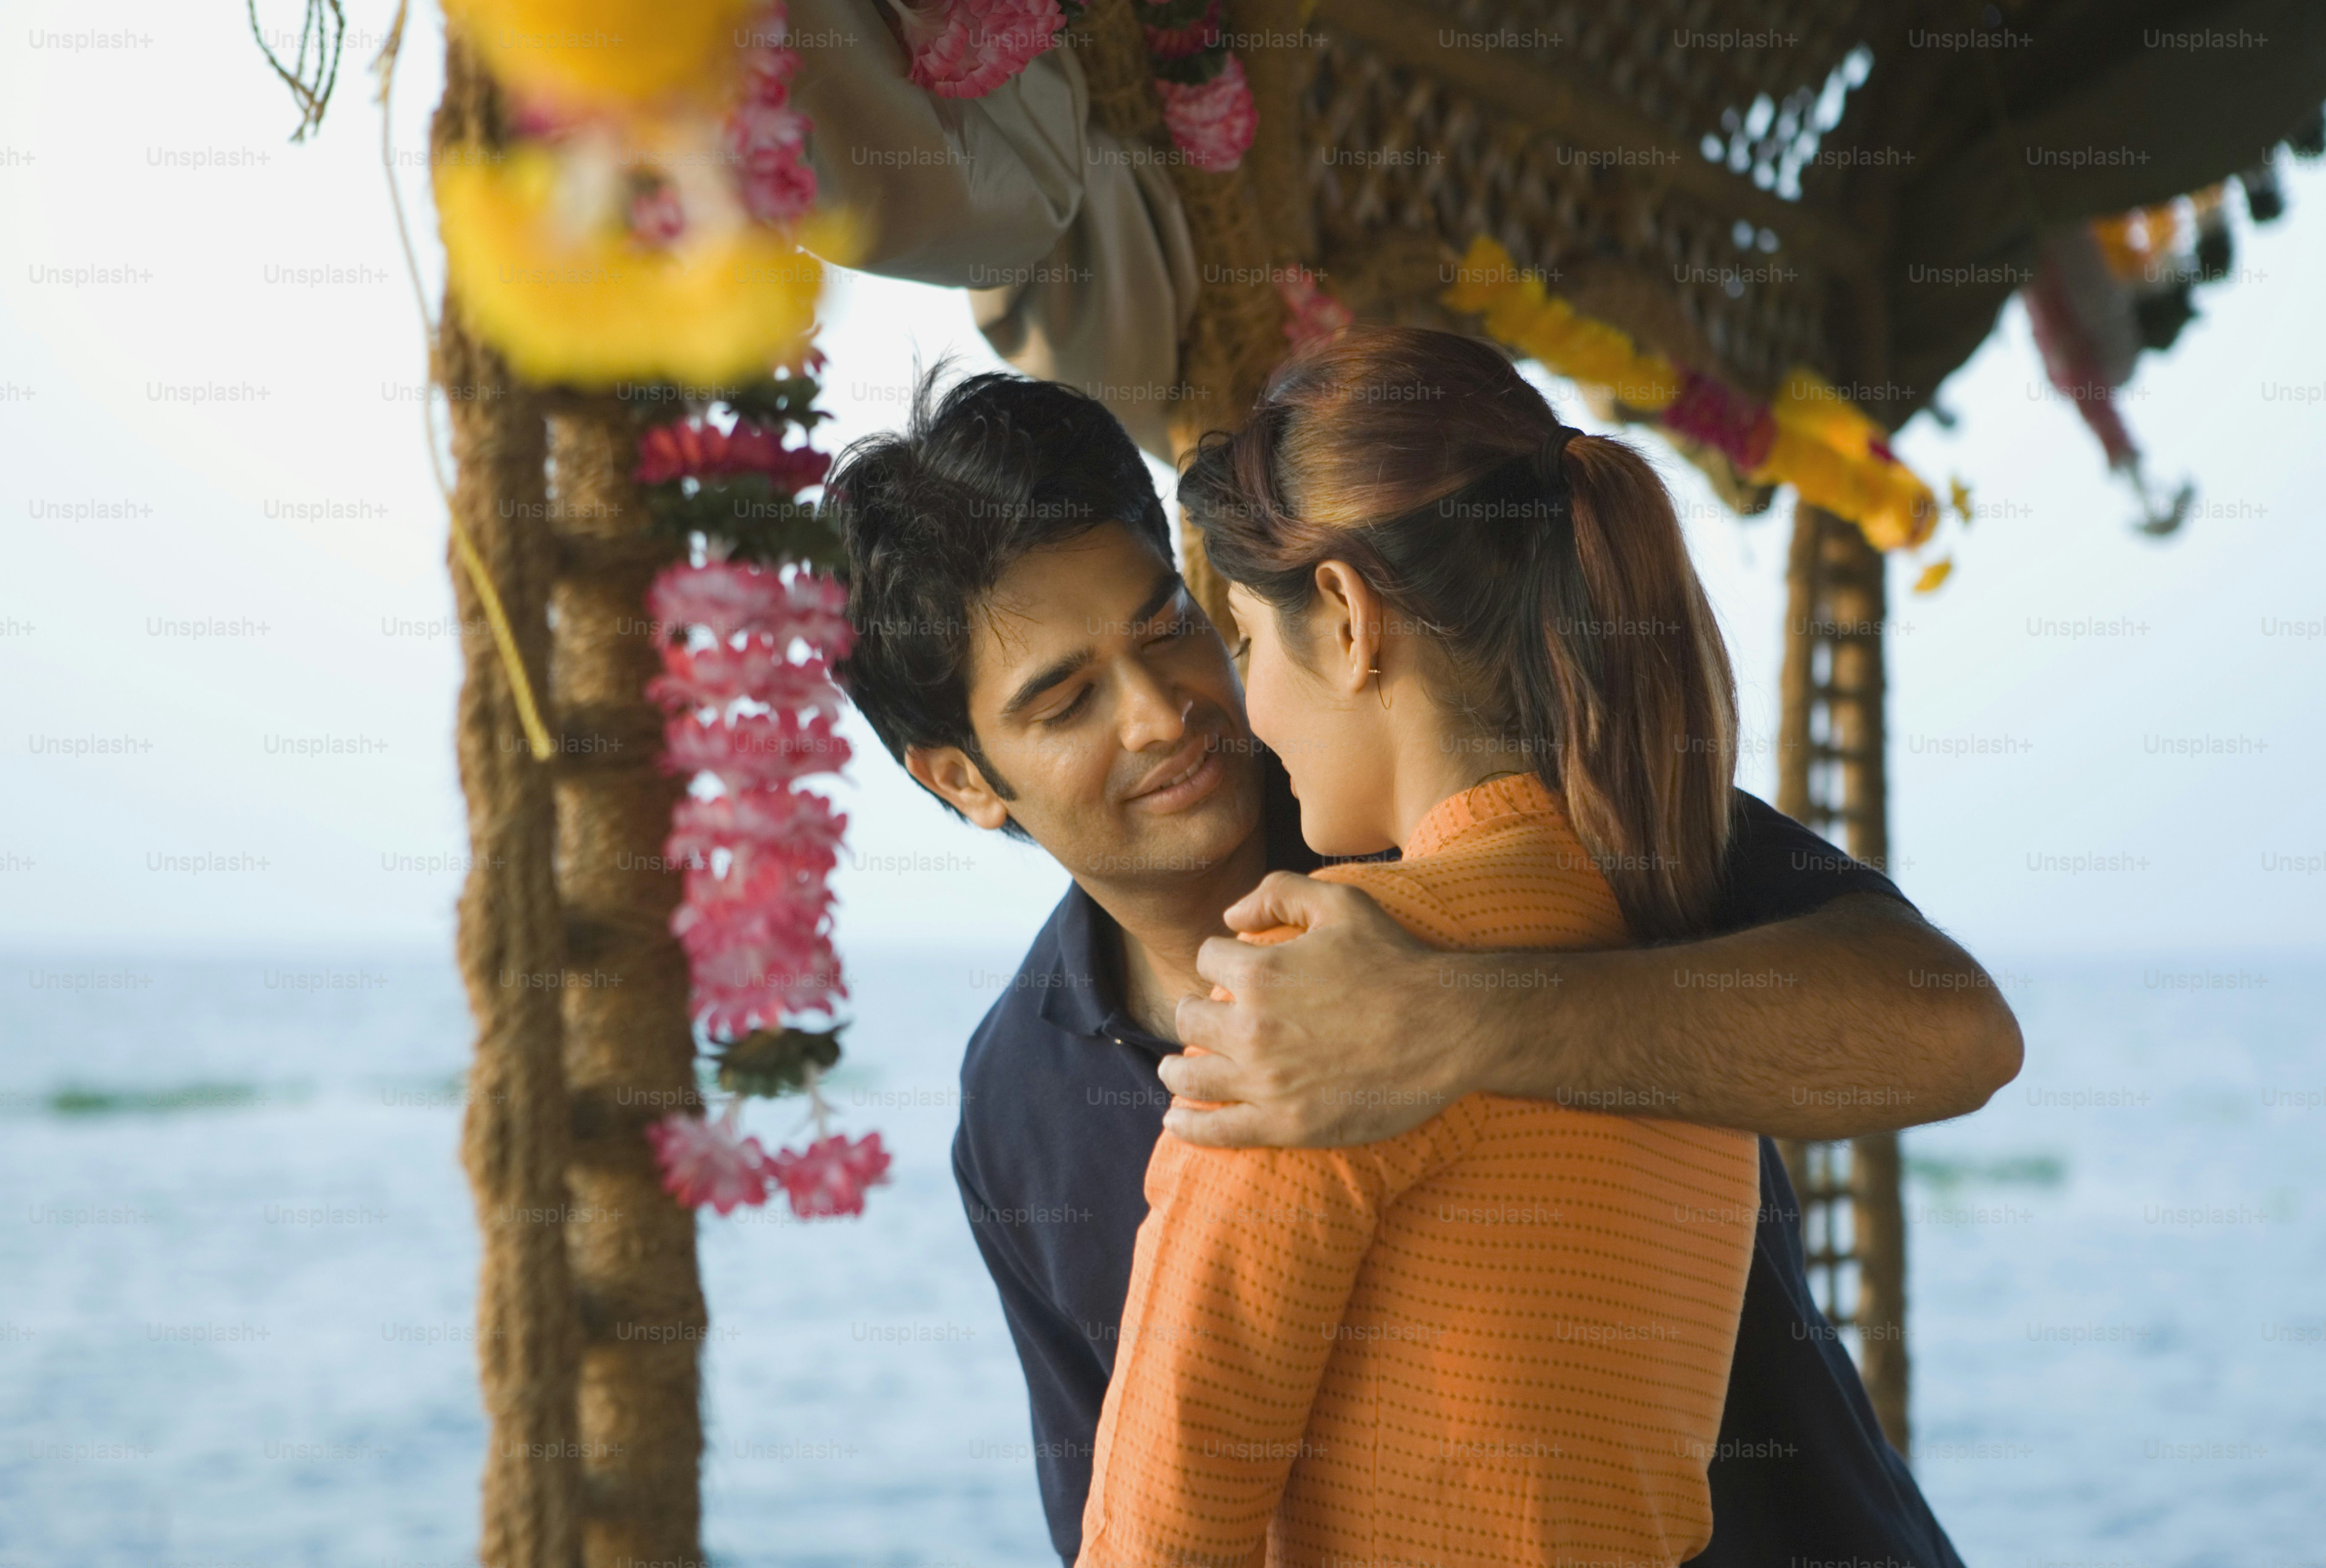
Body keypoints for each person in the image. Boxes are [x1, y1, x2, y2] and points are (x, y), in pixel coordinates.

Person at [827, 362, 2017, 1568]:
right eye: (1068, 701)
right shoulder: (1017, 1101)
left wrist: (1459, 1020)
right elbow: (1124, 1519)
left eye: (1169, 629)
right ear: (963, 779)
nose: (1158, 713)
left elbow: (1957, 1031)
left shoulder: (1568, 814)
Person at [1073, 325, 1770, 1567]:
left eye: (1247, 641)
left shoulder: (1317, 998)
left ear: (1347, 619)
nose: (1249, 712)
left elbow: (1157, 1540)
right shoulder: (1679, 956)